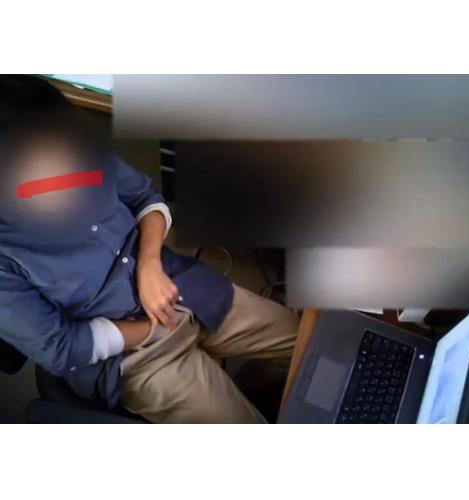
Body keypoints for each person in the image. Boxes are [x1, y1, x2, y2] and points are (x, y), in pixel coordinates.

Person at [0, 75, 298, 423]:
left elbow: (146, 197)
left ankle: (263, 396)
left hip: (181, 284)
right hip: (133, 356)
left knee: (307, 345)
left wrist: (149, 265)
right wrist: (151, 328)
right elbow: (62, 349)